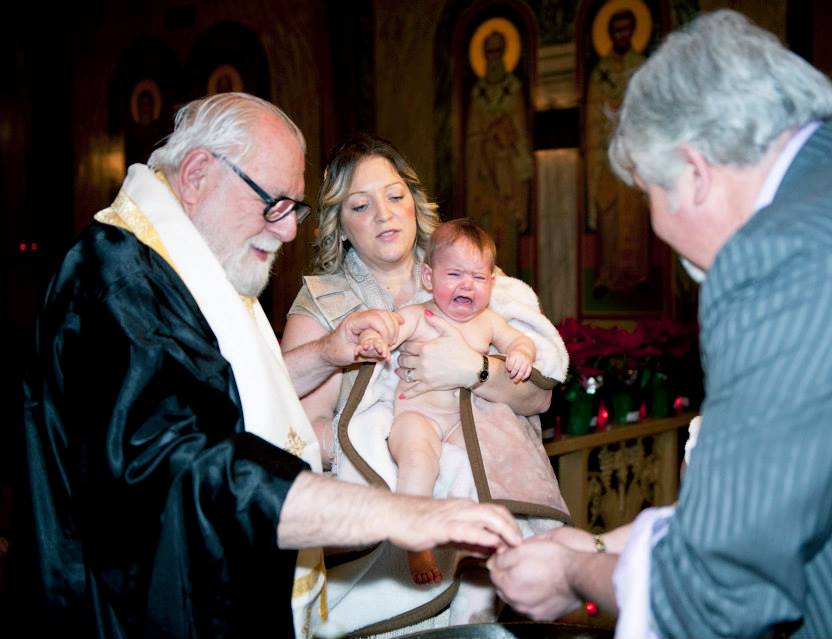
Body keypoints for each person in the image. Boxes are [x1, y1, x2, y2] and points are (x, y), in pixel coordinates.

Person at [490, 9, 832, 638]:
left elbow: (717, 590)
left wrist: (574, 575)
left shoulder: (780, 258)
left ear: (694, 172)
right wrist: (606, 547)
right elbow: (799, 479)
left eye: (650, 196)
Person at [12, 92, 522, 639]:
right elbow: (185, 465)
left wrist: (325, 354)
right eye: (274, 202)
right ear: (199, 175)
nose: (286, 230)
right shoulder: (118, 283)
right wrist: (403, 513)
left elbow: (233, 393)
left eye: (294, 208)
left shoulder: (194, 262)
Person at [281, 134, 569, 635]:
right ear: (340, 225)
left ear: (414, 201)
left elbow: (538, 394)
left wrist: (473, 369)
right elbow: (300, 433)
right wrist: (379, 451)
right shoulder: (320, 306)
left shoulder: (464, 273)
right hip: (385, 521)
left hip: (484, 490)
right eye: (360, 205)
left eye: (394, 196)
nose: (384, 214)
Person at [354, 218, 536, 585]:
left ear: (491, 283)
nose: (466, 284)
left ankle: (493, 542)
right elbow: (391, 327)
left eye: (478, 277)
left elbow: (520, 341)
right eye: (453, 274)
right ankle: (415, 538)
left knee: (491, 463)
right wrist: (376, 337)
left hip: (459, 420)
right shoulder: (419, 315)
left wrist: (520, 354)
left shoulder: (489, 321)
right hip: (416, 417)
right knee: (421, 462)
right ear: (428, 278)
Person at [585, 7, 650, 296]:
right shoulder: (601, 73)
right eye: (617, 30)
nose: (622, 35)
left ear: (633, 31)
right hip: (607, 160)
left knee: (634, 221)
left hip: (635, 160)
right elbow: (592, 117)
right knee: (609, 220)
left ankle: (638, 277)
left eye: (627, 29)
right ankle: (607, 276)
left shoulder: (643, 67)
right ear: (610, 34)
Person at [465, 26, 533, 278]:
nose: (493, 57)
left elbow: (520, 134)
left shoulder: (513, 89)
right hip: (484, 176)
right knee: (484, 239)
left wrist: (504, 136)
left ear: (504, 53)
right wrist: (485, 143)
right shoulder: (477, 93)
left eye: (497, 51)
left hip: (508, 178)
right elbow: (472, 138)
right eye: (489, 52)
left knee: (508, 234)